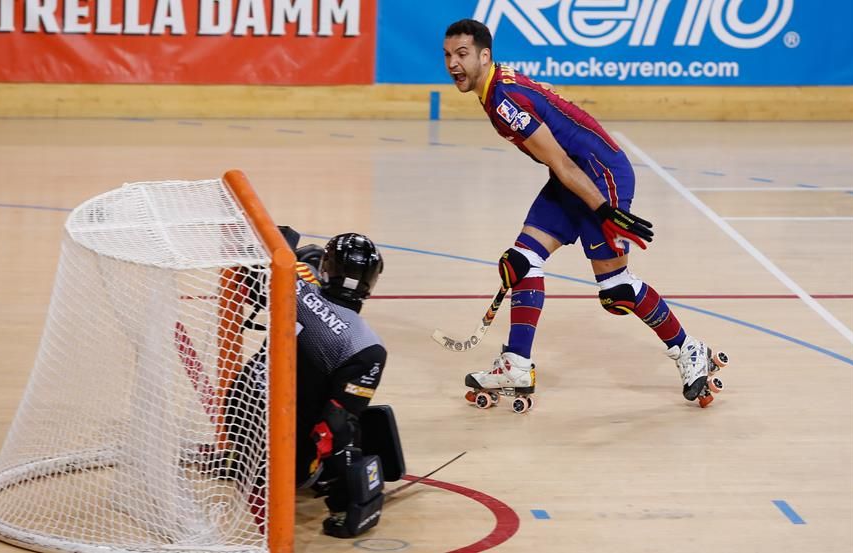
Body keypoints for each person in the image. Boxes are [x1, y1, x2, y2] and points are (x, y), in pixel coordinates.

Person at [443, 19, 728, 409]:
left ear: (484, 55)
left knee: (616, 290)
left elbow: (559, 159)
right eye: (448, 55)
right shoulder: (494, 87)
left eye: (462, 54)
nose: (453, 64)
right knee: (523, 261)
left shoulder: (503, 99)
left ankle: (689, 349)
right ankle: (516, 364)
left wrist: (604, 209)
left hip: (597, 175)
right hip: (574, 174)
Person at [220, 229, 398, 539]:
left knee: (252, 381)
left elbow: (261, 257)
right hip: (289, 465)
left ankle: (239, 458)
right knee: (343, 422)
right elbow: (335, 428)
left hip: (242, 426)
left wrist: (288, 247)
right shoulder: (365, 346)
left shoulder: (292, 289)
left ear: (326, 269)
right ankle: (343, 507)